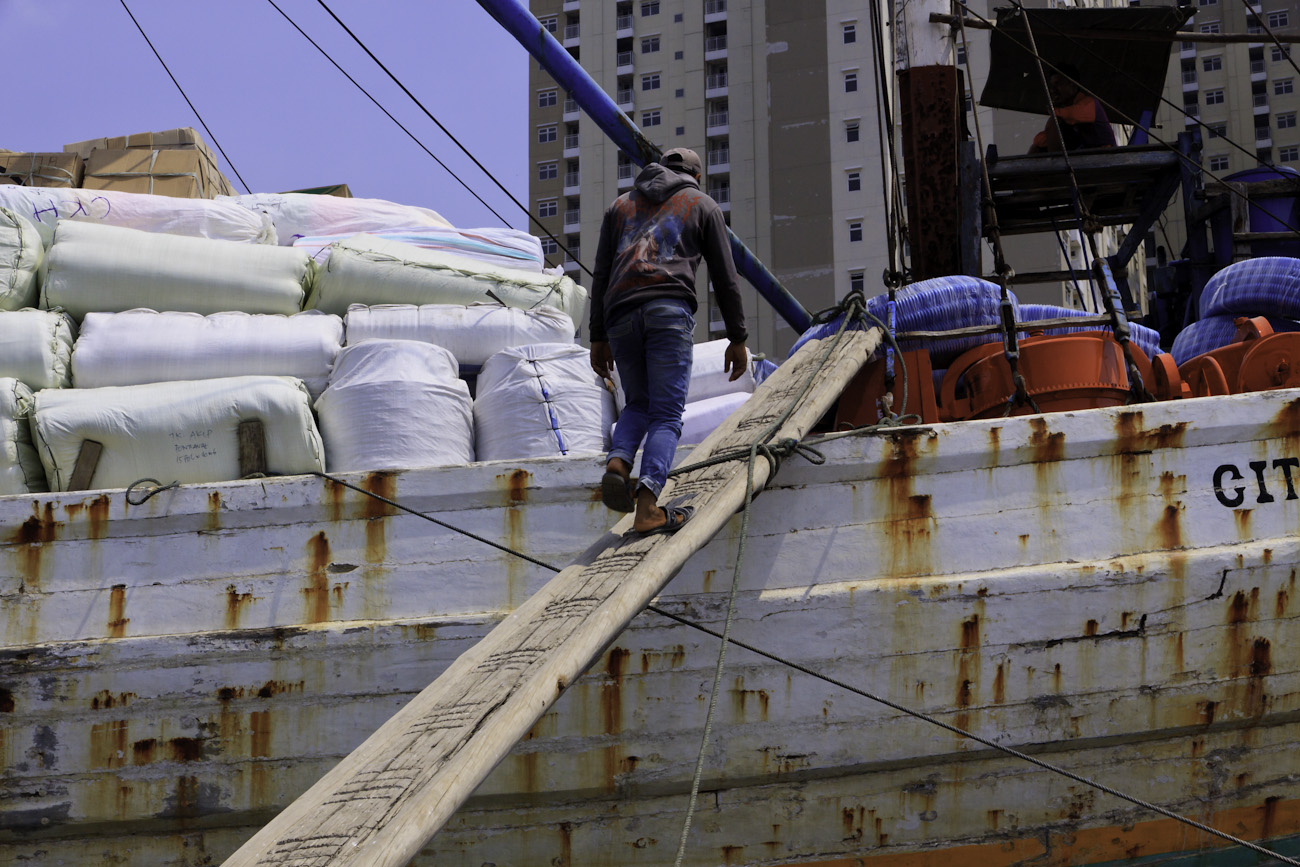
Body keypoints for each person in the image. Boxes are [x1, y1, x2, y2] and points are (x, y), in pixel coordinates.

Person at [589, 147, 749, 535]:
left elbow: (600, 273)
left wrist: (597, 337)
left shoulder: (620, 206)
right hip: (667, 310)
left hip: (620, 314)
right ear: (696, 176)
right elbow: (725, 278)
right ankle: (647, 507)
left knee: (638, 403)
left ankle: (619, 462)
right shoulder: (702, 204)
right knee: (665, 413)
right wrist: (737, 337)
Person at [1028, 64, 1116, 153]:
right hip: (1084, 157)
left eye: (1058, 84)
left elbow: (1071, 114)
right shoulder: (1064, 114)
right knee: (1036, 148)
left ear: (1073, 86)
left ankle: (1056, 164)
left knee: (1053, 121)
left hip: (1104, 156)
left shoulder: (1090, 103)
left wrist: (1053, 111)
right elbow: (1040, 141)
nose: (1053, 90)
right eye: (1052, 86)